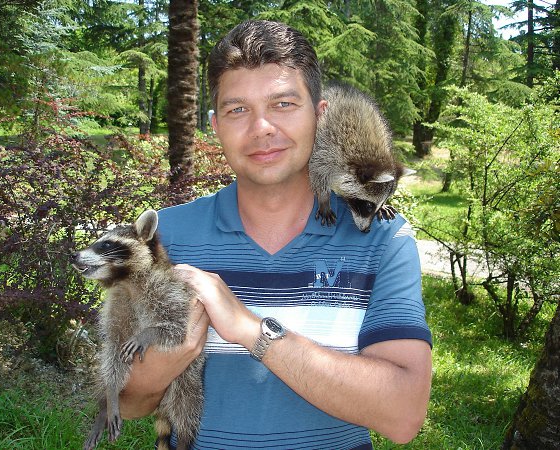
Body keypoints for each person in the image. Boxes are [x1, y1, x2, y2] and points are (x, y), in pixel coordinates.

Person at [120, 19, 432, 449]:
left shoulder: (383, 240)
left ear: (320, 115)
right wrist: (167, 358)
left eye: (283, 104)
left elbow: (403, 416)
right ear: (215, 124)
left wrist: (253, 331)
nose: (262, 127)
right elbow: (127, 403)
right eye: (237, 110)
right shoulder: (165, 235)